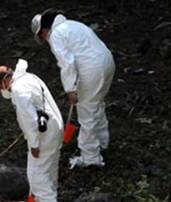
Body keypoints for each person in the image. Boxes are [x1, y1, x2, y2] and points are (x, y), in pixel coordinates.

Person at [0, 59, 68, 202]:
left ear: (4, 81)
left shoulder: (18, 91)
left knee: (36, 176)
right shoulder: (30, 77)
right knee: (48, 170)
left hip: (43, 135)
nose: (2, 91)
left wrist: (34, 144)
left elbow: (30, 121)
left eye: (0, 87)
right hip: (55, 127)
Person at [31, 10, 115, 169]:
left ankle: (90, 157)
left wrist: (70, 89)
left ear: (44, 30)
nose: (45, 40)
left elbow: (67, 63)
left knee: (86, 111)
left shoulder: (56, 35)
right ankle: (102, 142)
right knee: (96, 103)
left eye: (42, 36)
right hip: (107, 63)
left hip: (92, 70)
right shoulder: (73, 25)